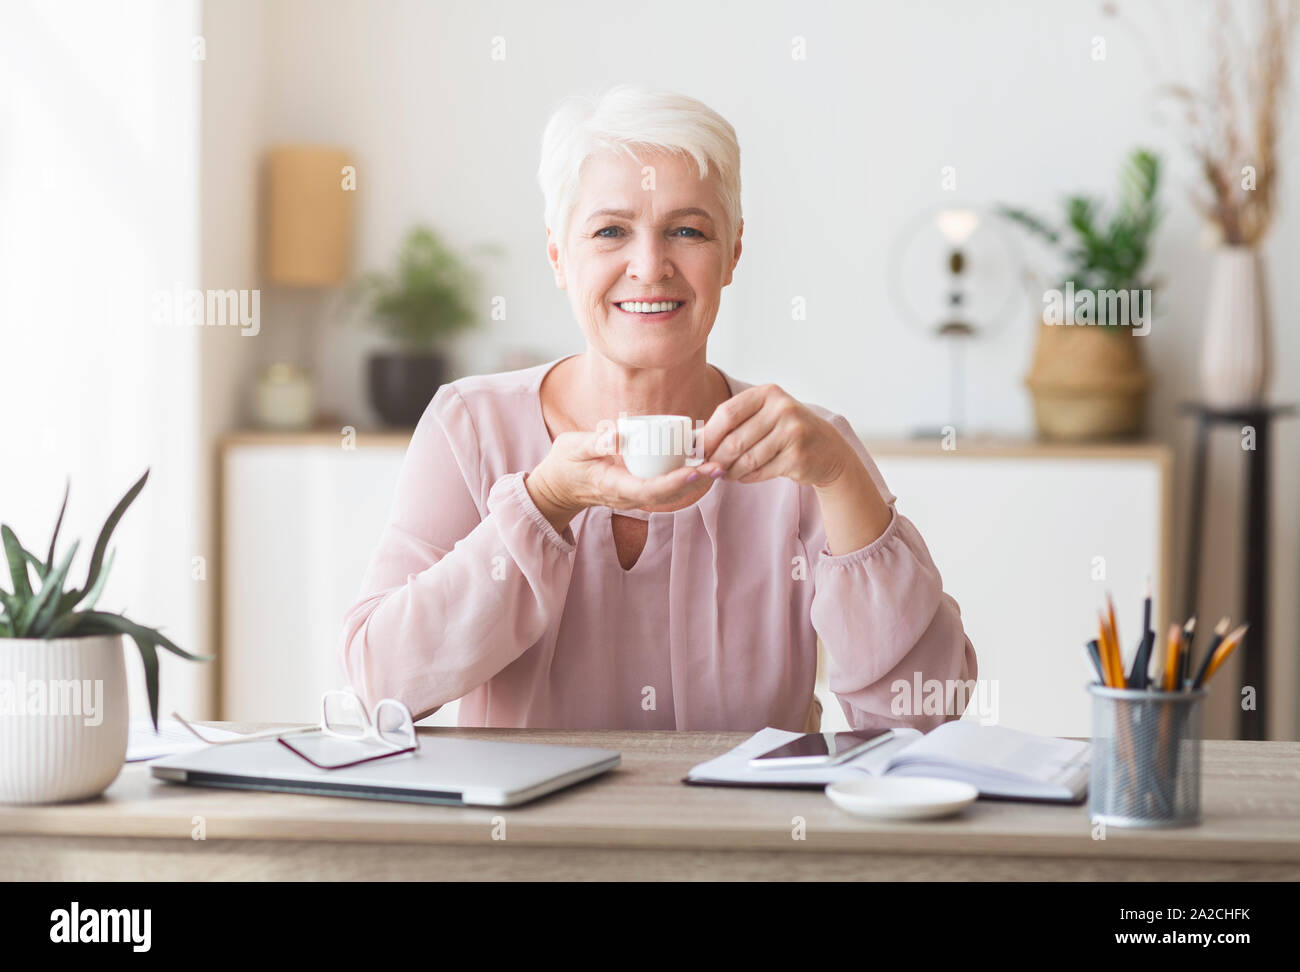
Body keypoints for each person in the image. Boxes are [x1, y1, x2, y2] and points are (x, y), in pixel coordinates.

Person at [340, 84, 976, 732]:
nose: (649, 266)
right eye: (611, 230)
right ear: (560, 256)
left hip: (746, 835)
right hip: (530, 836)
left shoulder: (808, 452)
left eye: (687, 230)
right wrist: (544, 504)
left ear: (731, 252)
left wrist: (843, 479)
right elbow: (378, 687)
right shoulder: (472, 429)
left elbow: (924, 718)